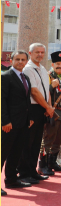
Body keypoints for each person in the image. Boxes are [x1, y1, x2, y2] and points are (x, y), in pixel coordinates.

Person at [18, 43, 55, 182]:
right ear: (30, 53)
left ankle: (32, 171)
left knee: (36, 143)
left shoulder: (43, 68)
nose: (40, 54)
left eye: (42, 52)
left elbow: (47, 90)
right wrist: (47, 107)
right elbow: (34, 91)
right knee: (27, 143)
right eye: (37, 52)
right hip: (33, 109)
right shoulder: (28, 69)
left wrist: (49, 106)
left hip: (42, 109)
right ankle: (24, 173)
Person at [2, 50, 34, 195]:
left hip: (22, 123)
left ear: (26, 61)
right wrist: (5, 121)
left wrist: (30, 118)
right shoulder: (5, 76)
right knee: (2, 154)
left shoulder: (25, 76)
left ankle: (11, 180)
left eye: (23, 59)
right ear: (11, 60)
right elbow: (1, 101)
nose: (20, 62)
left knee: (15, 153)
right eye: (17, 59)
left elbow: (26, 100)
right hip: (9, 124)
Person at [42, 51, 61, 173]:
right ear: (53, 64)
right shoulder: (48, 77)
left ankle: (52, 163)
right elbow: (42, 94)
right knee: (48, 139)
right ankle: (43, 166)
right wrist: (51, 86)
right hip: (53, 113)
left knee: (58, 140)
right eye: (57, 64)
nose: (60, 66)